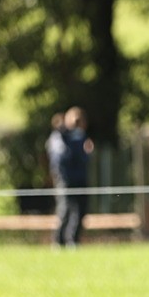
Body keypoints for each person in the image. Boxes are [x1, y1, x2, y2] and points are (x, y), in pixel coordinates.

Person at [47, 106, 94, 248]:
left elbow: (85, 158)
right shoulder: (59, 137)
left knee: (81, 211)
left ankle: (73, 240)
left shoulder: (82, 137)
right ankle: (58, 241)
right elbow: (60, 159)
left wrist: (86, 152)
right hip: (65, 180)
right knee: (65, 209)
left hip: (80, 179)